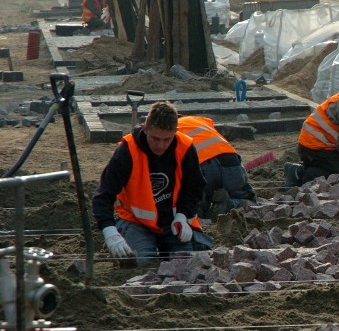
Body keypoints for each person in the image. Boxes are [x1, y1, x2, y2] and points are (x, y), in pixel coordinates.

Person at [92, 101, 207, 266]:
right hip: (135, 222)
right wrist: (109, 231)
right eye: (155, 138)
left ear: (176, 132)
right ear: (145, 129)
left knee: (187, 264)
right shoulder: (127, 150)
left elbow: (194, 187)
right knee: (143, 264)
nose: (160, 145)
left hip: (172, 223)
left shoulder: (185, 147)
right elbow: (103, 195)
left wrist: (183, 215)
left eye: (167, 139)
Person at [177, 115, 256, 218]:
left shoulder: (166, 131)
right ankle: (229, 205)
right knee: (250, 202)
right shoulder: (199, 120)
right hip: (231, 162)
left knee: (196, 211)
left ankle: (205, 210)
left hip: (202, 170)